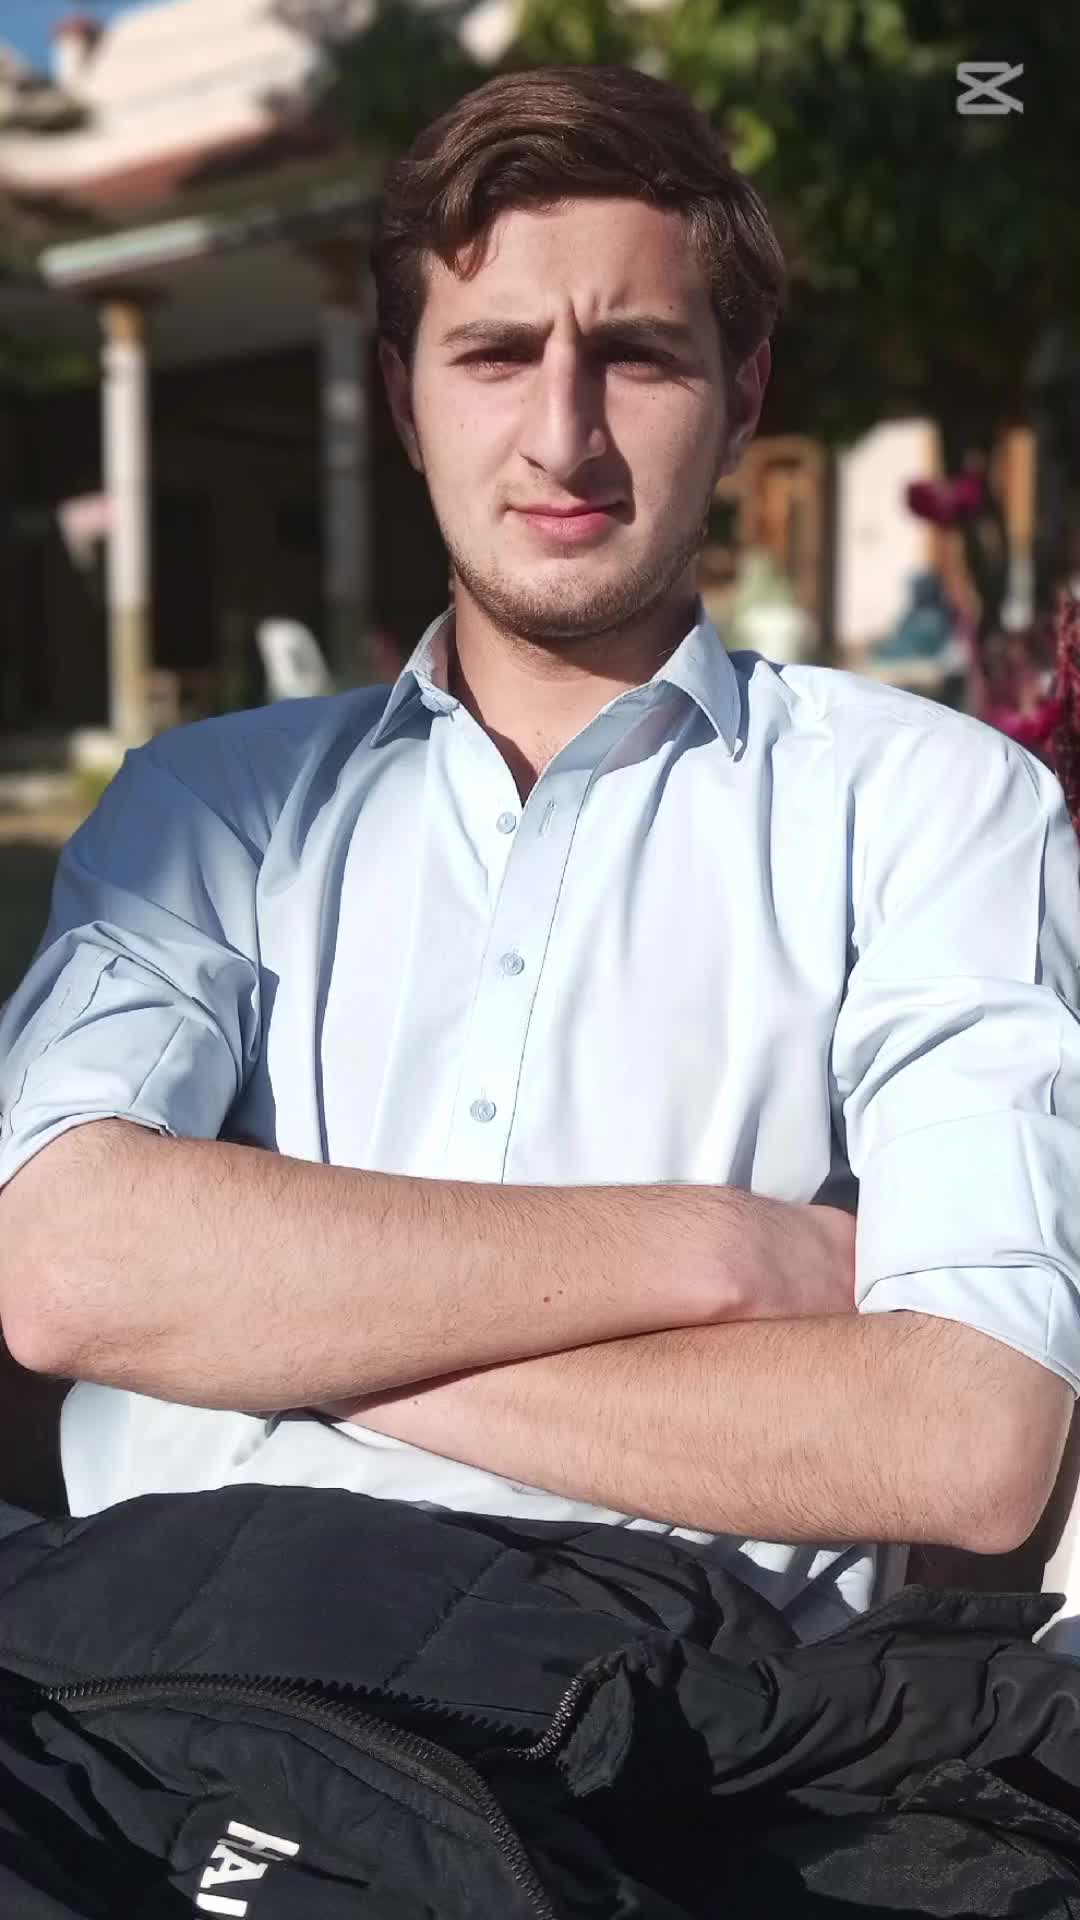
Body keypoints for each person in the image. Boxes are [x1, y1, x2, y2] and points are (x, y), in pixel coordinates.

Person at [1, 64, 1078, 1645]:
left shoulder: (931, 805)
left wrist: (263, 1331)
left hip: (667, 1725)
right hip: (156, 1682)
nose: (561, 437)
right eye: (495, 354)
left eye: (635, 355)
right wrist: (725, 1252)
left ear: (743, 398)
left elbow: (968, 1435)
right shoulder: (208, 809)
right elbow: (55, 1258)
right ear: (404, 398)